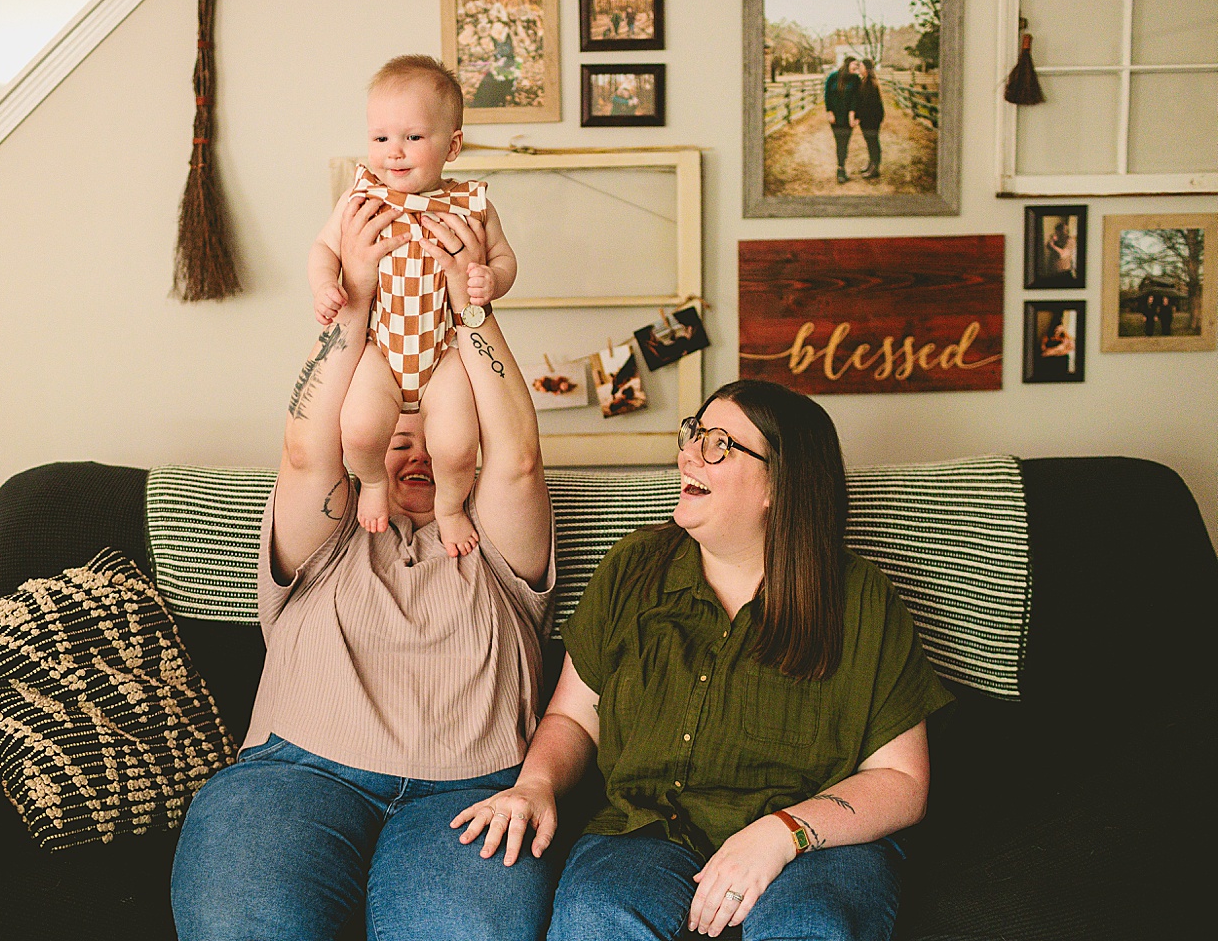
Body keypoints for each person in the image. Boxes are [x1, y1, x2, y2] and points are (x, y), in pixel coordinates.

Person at [171, 159, 556, 941]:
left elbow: (515, 455)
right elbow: (307, 449)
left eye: (435, 440)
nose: (411, 455)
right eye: (392, 440)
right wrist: (351, 299)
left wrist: (471, 306)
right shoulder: (333, 531)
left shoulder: (498, 549)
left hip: (475, 791)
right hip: (296, 773)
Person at [453, 379, 954, 941]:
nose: (687, 452)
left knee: (809, 927)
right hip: (647, 833)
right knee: (600, 918)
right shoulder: (632, 570)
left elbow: (902, 780)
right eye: (694, 432)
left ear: (779, 485)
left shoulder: (860, 601)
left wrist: (780, 834)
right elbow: (574, 716)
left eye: (718, 444)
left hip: (814, 844)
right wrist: (536, 784)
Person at [309, 56, 518, 557]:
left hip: (445, 352)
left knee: (457, 447)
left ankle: (449, 507)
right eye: (380, 138)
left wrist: (492, 279)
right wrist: (325, 286)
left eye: (413, 138)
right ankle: (374, 483)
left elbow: (505, 260)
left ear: (453, 144)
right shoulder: (361, 199)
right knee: (358, 431)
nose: (394, 153)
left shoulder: (472, 205)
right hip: (379, 349)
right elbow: (324, 248)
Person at [824, 57, 860, 183]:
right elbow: (827, 95)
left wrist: (853, 115)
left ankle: (841, 168)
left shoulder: (856, 79)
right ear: (848, 63)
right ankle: (840, 168)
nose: (857, 67)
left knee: (844, 143)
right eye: (855, 64)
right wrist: (829, 112)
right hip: (835, 116)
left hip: (848, 117)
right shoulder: (833, 77)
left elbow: (856, 98)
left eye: (858, 65)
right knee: (839, 142)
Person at [853, 59, 885, 180]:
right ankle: (871, 165)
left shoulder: (870, 83)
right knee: (870, 143)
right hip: (868, 119)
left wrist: (858, 117)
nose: (859, 69)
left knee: (873, 143)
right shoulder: (865, 81)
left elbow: (867, 104)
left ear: (866, 68)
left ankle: (875, 169)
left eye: (860, 66)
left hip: (871, 119)